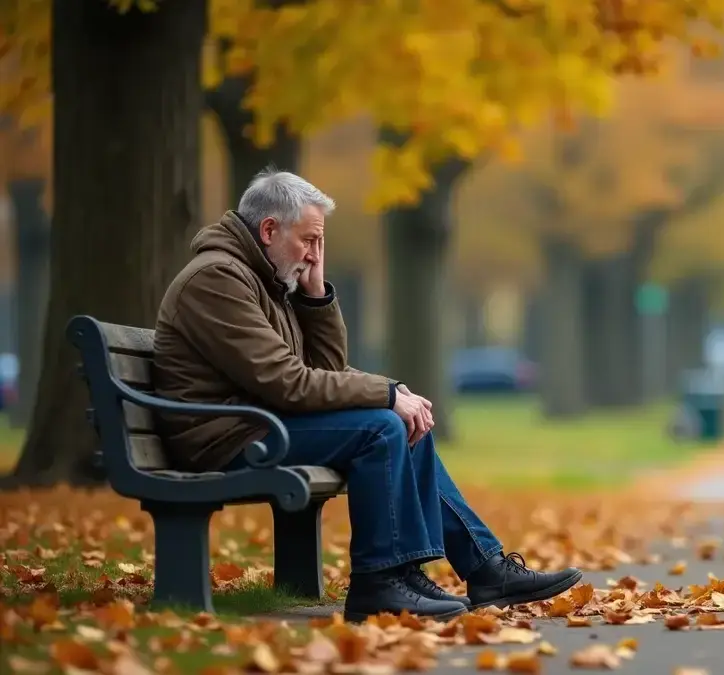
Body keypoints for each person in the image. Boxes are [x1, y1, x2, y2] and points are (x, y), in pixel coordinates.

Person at [152, 168, 582, 622]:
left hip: (256, 422)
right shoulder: (219, 279)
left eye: (320, 243)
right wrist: (386, 394)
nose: (316, 255)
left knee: (405, 421)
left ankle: (478, 568)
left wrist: (316, 298)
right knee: (380, 427)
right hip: (222, 436)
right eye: (310, 241)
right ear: (269, 230)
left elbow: (325, 370)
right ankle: (381, 581)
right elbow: (287, 382)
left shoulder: (264, 278)